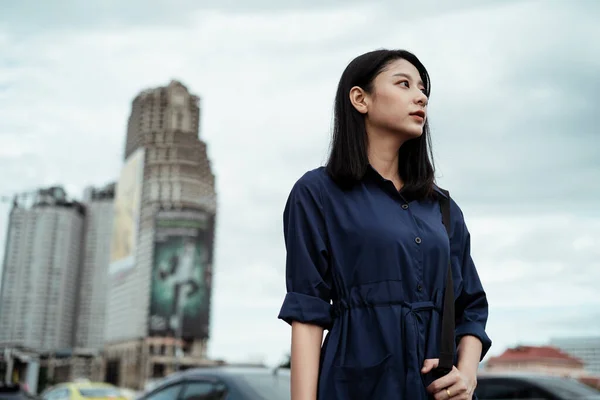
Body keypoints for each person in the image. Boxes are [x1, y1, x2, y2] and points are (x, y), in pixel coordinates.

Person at [277, 49, 492, 399]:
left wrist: (467, 375)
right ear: (360, 99)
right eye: (404, 84)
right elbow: (307, 312)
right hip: (356, 387)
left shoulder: (443, 207)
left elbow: (471, 306)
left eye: (423, 89)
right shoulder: (317, 193)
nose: (420, 96)